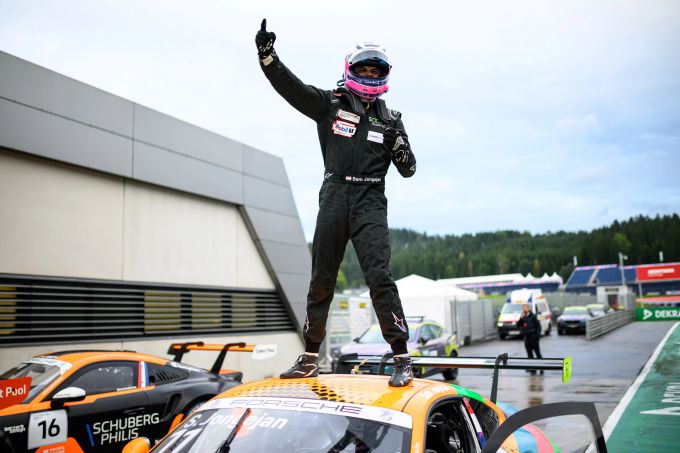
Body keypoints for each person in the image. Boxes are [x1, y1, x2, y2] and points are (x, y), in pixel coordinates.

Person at [255, 19, 416, 386]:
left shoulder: (391, 120)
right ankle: (310, 357)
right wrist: (268, 56)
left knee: (379, 277)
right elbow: (291, 89)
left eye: (376, 70)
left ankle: (402, 358)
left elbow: (409, 170)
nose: (370, 75)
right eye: (365, 69)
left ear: (384, 75)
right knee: (322, 278)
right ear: (352, 69)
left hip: (370, 199)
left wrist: (401, 147)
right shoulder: (330, 103)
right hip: (334, 194)